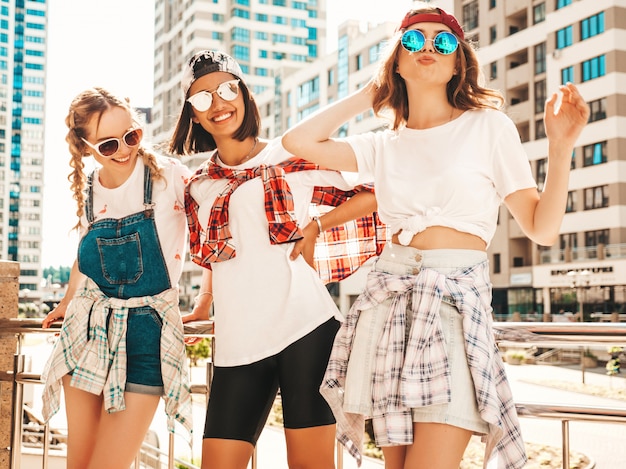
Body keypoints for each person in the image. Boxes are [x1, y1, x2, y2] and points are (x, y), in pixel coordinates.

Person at [282, 4, 590, 469]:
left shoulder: (489, 127)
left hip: (454, 303)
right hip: (391, 302)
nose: (428, 47)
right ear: (397, 61)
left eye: (442, 42)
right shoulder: (383, 144)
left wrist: (561, 147)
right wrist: (372, 94)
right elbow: (298, 142)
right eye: (413, 40)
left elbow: (541, 228)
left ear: (457, 62)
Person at [168, 49, 380, 469]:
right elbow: (215, 256)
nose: (219, 103)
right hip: (237, 342)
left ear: (244, 95)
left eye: (227, 89)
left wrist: (320, 224)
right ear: (193, 114)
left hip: (306, 328)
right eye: (203, 97)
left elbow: (377, 193)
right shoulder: (197, 186)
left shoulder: (288, 156)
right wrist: (203, 304)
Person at [40, 87, 193, 469]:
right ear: (86, 146)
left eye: (132, 136)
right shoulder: (91, 188)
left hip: (147, 335)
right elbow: (85, 254)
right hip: (89, 330)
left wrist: (205, 301)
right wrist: (66, 300)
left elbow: (214, 231)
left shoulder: (168, 176)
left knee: (109, 464)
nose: (124, 149)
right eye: (108, 145)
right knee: (78, 463)